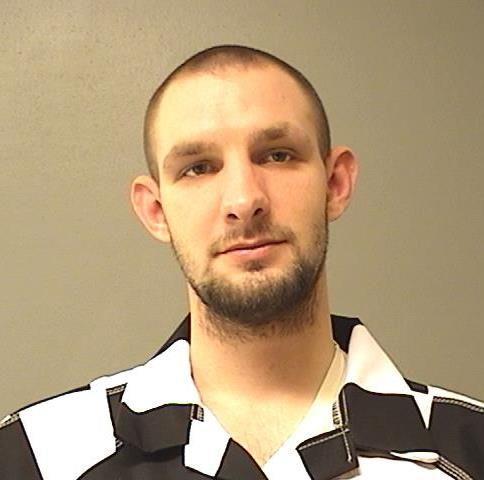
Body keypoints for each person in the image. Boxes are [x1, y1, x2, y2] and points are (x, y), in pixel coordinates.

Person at [1, 44, 482, 480]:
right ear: (156, 211)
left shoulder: (471, 450)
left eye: (277, 155)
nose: (244, 199)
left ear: (335, 184)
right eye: (198, 167)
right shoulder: (31, 458)